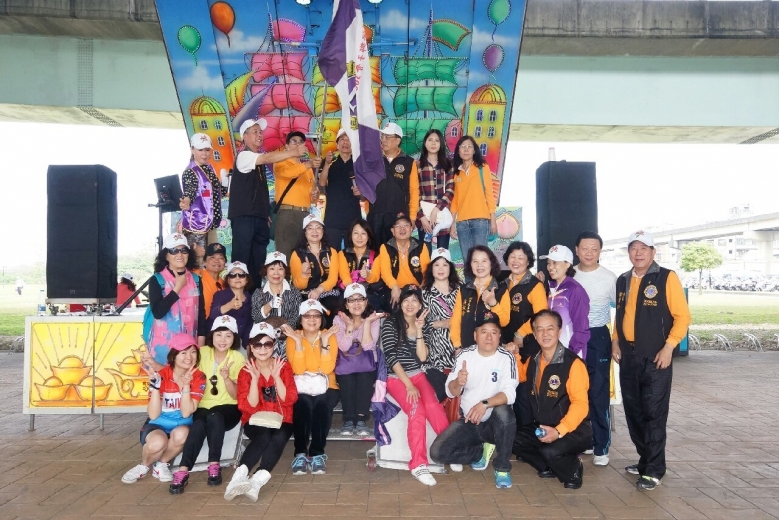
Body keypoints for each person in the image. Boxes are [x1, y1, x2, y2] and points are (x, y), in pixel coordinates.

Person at [612, 230, 691, 491]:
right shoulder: (623, 280)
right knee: (634, 412)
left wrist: (669, 347)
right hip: (628, 356)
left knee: (654, 413)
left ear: (653, 252)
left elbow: (682, 317)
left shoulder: (666, 277)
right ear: (629, 252)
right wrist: (615, 341)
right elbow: (621, 315)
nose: (638, 253)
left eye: (644, 248)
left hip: (656, 357)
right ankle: (645, 460)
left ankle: (655, 469)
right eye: (634, 248)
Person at [430, 310, 519, 490]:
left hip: (494, 424)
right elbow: (450, 392)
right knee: (438, 453)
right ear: (475, 335)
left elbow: (510, 393)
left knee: (504, 411)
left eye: (494, 332)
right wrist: (458, 382)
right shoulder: (465, 355)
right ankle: (479, 452)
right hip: (470, 421)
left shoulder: (506, 357)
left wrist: (484, 404)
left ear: (499, 336)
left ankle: (502, 467)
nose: (489, 337)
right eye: (484, 331)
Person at [511, 310, 591, 490]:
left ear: (559, 331)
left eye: (550, 328)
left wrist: (559, 431)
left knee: (550, 451)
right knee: (512, 439)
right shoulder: (534, 359)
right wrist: (515, 354)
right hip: (543, 425)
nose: (545, 334)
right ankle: (548, 466)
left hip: (574, 429)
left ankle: (573, 468)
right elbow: (521, 376)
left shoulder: (573, 364)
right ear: (534, 334)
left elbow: (581, 405)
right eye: (539, 329)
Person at [381, 284, 449, 486]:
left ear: (420, 304)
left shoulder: (423, 324)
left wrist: (419, 330)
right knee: (416, 410)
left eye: (414, 300)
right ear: (400, 303)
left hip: (418, 374)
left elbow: (422, 357)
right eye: (406, 300)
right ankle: (418, 464)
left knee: (433, 407)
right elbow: (391, 357)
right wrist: (408, 385)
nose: (410, 304)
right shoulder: (390, 323)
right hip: (397, 377)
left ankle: (452, 448)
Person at [169, 316, 245, 494]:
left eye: (228, 335)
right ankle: (183, 470)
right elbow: (179, 366)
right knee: (198, 424)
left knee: (215, 416)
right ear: (212, 335)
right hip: (202, 405)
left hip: (229, 407)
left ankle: (214, 464)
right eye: (219, 334)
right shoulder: (202, 352)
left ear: (234, 338)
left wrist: (227, 378)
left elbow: (236, 395)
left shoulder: (237, 358)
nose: (223, 340)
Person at [224, 322, 298, 502]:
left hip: (282, 418)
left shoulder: (283, 366)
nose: (263, 349)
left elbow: (289, 400)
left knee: (279, 436)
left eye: (267, 344)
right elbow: (248, 407)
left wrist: (276, 377)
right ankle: (238, 477)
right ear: (250, 346)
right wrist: (255, 380)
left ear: (274, 344)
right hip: (255, 419)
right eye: (257, 344)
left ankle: (256, 481)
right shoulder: (246, 371)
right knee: (264, 436)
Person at [229, 119, 306, 288]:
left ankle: (255, 297)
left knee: (258, 261)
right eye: (254, 132)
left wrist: (265, 213)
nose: (259, 135)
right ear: (244, 137)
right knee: (241, 259)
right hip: (244, 217)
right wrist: (293, 152)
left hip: (259, 218)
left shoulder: (258, 163)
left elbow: (259, 191)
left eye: (260, 132)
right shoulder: (244, 156)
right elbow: (267, 158)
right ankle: (236, 296)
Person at [121, 334, 206, 484]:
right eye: (183, 352)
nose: (189, 357)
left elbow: (186, 412)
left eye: (193, 352)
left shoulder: (199, 377)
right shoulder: (161, 375)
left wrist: (186, 385)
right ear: (174, 355)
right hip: (157, 424)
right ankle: (143, 466)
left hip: (182, 425)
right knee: (157, 443)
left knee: (182, 435)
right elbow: (153, 415)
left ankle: (161, 465)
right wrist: (155, 387)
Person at [573, 231, 617, 467]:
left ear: (600, 251)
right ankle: (584, 439)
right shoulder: (568, 274)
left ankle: (601, 446)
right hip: (572, 338)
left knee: (598, 392)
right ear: (576, 250)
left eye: (594, 249)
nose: (589, 253)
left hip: (598, 336)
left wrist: (616, 341)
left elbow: (622, 310)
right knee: (575, 391)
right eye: (584, 248)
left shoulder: (609, 278)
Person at [283, 300, 340, 476]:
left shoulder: (329, 335)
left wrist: (324, 341)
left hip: (327, 385)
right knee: (302, 405)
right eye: (307, 316)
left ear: (321, 318)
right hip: (301, 385)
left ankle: (317, 453)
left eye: (316, 315)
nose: (312, 319)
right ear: (300, 319)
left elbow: (327, 368)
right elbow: (298, 369)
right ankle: (300, 453)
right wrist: (298, 343)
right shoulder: (293, 337)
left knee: (322, 406)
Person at [498, 242, 548, 426]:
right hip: (505, 347)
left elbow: (541, 315)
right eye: (512, 257)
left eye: (521, 258)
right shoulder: (502, 283)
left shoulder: (534, 285)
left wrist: (520, 333)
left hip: (527, 348)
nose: (516, 261)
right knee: (506, 393)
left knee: (524, 397)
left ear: (528, 262)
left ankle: (526, 438)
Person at [147, 233, 208, 364]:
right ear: (166, 255)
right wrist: (177, 288)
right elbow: (158, 313)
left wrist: (201, 347)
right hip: (164, 349)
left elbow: (201, 315)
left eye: (183, 250)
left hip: (189, 349)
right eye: (174, 250)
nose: (179, 254)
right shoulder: (157, 280)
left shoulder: (196, 280)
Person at [333, 283, 382, 436]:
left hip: (367, 363)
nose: (356, 303)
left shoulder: (373, 319)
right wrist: (349, 326)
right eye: (351, 300)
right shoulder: (338, 319)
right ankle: (348, 419)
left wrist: (366, 323)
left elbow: (368, 346)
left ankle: (361, 419)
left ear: (366, 301)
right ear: (346, 304)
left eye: (360, 299)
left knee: (365, 379)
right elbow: (343, 346)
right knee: (347, 380)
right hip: (345, 363)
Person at [367, 122, 420, 247]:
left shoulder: (409, 162)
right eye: (382, 136)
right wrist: (368, 211)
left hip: (398, 216)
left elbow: (414, 191)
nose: (383, 140)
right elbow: (368, 186)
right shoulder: (373, 160)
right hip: (376, 215)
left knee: (396, 251)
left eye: (387, 137)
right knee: (375, 252)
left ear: (397, 141)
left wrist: (412, 217)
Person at [272, 131, 323, 260]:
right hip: (288, 214)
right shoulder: (280, 162)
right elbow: (289, 173)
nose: (298, 144)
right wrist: (308, 164)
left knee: (302, 256)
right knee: (285, 255)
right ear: (287, 146)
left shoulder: (307, 169)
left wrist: (315, 194)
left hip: (306, 215)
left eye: (301, 142)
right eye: (294, 141)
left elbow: (313, 197)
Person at [179, 133, 228, 267]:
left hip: (210, 224)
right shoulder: (191, 172)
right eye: (200, 150)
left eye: (207, 150)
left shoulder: (209, 168)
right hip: (197, 226)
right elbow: (190, 190)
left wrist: (224, 184)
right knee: (197, 263)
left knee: (211, 264)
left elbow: (215, 195)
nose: (204, 154)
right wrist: (187, 200)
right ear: (192, 150)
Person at [450, 246, 510, 350]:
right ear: (470, 265)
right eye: (475, 261)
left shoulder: (501, 289)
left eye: (484, 261)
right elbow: (456, 320)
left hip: (492, 350)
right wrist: (457, 346)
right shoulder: (464, 289)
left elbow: (504, 322)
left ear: (491, 263)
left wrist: (493, 303)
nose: (479, 265)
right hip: (467, 349)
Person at [421, 247, 460, 401]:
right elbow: (420, 324)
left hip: (459, 346)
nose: (441, 269)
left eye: (445, 264)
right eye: (436, 265)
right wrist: (439, 323)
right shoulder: (424, 293)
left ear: (451, 267)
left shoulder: (461, 290)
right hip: (437, 349)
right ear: (431, 268)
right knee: (441, 391)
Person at [449, 135, 497, 262]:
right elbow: (455, 201)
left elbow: (489, 194)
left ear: (474, 150)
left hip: (481, 221)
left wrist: (493, 220)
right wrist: (451, 224)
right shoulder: (457, 173)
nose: (466, 149)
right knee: (467, 261)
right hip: (462, 223)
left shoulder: (482, 168)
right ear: (458, 150)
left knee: (480, 259)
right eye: (463, 147)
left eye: (469, 146)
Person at [540, 245, 590, 359]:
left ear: (567, 264)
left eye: (555, 262)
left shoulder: (575, 290)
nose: (550, 267)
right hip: (553, 352)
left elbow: (582, 329)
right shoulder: (552, 288)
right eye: (548, 263)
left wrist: (570, 353)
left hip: (570, 353)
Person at [290, 214, 341, 323]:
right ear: (305, 232)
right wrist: (304, 275)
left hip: (327, 292)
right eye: (310, 228)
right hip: (305, 294)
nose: (315, 231)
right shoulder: (297, 254)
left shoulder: (331, 251)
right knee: (306, 312)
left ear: (323, 231)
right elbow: (298, 285)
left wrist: (319, 290)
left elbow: (333, 279)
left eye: (318, 227)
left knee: (332, 307)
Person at [318, 129, 362, 251]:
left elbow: (364, 193)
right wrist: (326, 164)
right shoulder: (329, 162)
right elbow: (322, 184)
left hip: (353, 216)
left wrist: (360, 192)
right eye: (342, 139)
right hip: (332, 217)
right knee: (331, 254)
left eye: (348, 140)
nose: (345, 142)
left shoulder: (358, 164)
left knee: (352, 254)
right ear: (337, 144)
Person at [376, 212, 431, 309]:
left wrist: (420, 291)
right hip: (396, 289)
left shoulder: (421, 246)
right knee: (393, 305)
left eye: (406, 225)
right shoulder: (385, 247)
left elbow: (426, 272)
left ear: (411, 228)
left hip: (416, 288)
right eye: (398, 226)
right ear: (392, 231)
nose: (402, 228)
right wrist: (394, 287)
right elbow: (385, 272)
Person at [251, 252, 303, 353]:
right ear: (265, 271)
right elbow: (256, 318)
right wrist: (269, 305)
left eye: (280, 269)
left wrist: (281, 330)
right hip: (265, 341)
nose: (276, 273)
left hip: (289, 338)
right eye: (272, 269)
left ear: (285, 272)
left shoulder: (294, 292)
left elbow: (296, 318)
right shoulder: (258, 293)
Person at [415, 129, 454, 252]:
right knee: (425, 256)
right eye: (430, 140)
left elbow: (450, 190)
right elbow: (414, 194)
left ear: (441, 144)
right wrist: (421, 217)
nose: (433, 143)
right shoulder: (417, 166)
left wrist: (436, 210)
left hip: (442, 216)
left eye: (437, 140)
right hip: (424, 220)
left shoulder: (448, 165)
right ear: (425, 143)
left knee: (442, 255)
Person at [337, 218, 385, 312]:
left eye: (363, 233)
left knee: (374, 305)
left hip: (368, 292)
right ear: (351, 235)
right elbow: (344, 275)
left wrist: (368, 275)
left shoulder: (376, 255)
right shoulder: (342, 254)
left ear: (368, 236)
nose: (359, 237)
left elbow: (375, 276)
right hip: (348, 291)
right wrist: (354, 291)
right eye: (356, 233)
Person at [209, 262, 253, 348]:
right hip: (220, 343)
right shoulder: (220, 295)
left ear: (247, 279)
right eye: (232, 275)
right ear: (228, 280)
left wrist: (246, 346)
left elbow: (249, 325)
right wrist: (229, 305)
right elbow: (213, 315)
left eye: (242, 275)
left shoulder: (250, 298)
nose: (237, 278)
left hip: (240, 345)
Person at [194, 243, 228, 320]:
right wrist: (194, 254)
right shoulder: (196, 275)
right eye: (212, 257)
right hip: (199, 323)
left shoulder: (225, 284)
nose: (217, 261)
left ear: (225, 262)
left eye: (221, 258)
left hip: (218, 325)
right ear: (204, 261)